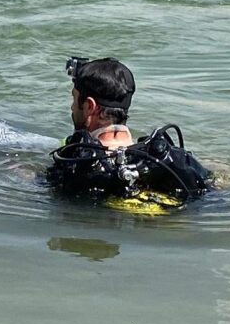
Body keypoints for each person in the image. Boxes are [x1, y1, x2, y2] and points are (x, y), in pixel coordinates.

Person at [44, 56, 215, 209]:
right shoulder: (158, 160)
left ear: (90, 106)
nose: (72, 107)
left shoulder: (78, 163)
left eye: (74, 99)